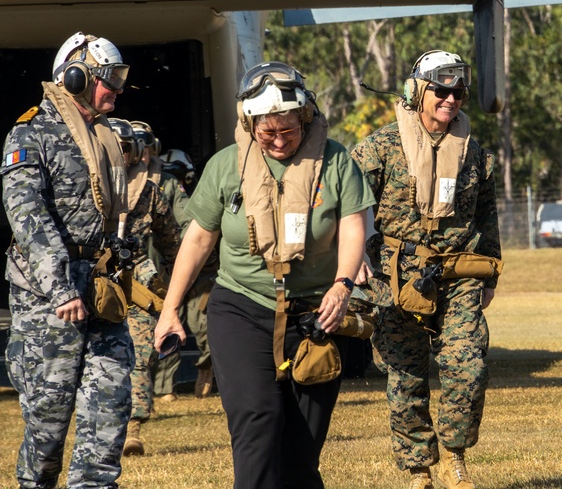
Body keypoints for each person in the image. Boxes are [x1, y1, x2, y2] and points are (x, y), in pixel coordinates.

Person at [153, 62, 373, 488]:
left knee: (301, 451)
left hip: (315, 315)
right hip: (241, 310)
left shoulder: (336, 161)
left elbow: (352, 224)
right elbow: (198, 241)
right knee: (259, 426)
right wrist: (170, 309)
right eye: (265, 131)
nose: (276, 140)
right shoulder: (225, 166)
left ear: (305, 117)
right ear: (248, 122)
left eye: (287, 131)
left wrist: (343, 283)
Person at [351, 50, 502, 489]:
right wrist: (356, 258)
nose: (451, 99)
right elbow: (349, 208)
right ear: (418, 91)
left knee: (467, 366)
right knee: (405, 374)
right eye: (441, 90)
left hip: (458, 274)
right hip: (395, 277)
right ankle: (418, 468)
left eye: (458, 92)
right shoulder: (380, 147)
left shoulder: (474, 152)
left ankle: (456, 456)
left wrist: (490, 274)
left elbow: (487, 216)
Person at [2, 32, 133, 488]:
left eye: (120, 78)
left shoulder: (109, 137)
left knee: (110, 405)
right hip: (48, 300)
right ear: (74, 78)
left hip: (99, 293)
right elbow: (27, 215)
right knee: (48, 423)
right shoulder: (30, 132)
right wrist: (60, 288)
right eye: (108, 79)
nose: (116, 88)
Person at [105, 119, 182, 457]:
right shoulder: (82, 184)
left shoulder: (150, 193)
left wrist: (172, 283)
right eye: (113, 147)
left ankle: (132, 429)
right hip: (94, 284)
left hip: (137, 283)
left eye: (124, 148)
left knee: (139, 354)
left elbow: (173, 242)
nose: (119, 155)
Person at [148, 146, 218, 400]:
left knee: (205, 324)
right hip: (151, 270)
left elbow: (189, 219)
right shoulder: (119, 182)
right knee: (161, 324)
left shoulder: (166, 184)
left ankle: (206, 367)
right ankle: (164, 388)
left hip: (187, 263)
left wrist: (194, 248)